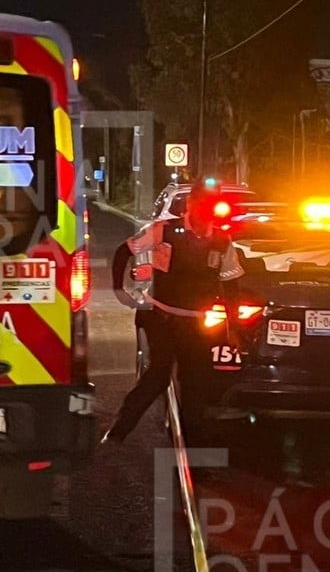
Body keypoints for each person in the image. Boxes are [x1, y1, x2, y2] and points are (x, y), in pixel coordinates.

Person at [102, 177, 245, 444]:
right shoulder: (163, 231)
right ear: (190, 203)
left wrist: (233, 329)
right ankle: (117, 434)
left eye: (211, 204)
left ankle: (195, 453)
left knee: (196, 384)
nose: (205, 210)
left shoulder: (222, 242)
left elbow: (230, 288)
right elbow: (124, 252)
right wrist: (119, 291)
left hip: (196, 323)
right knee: (159, 373)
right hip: (160, 316)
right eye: (201, 203)